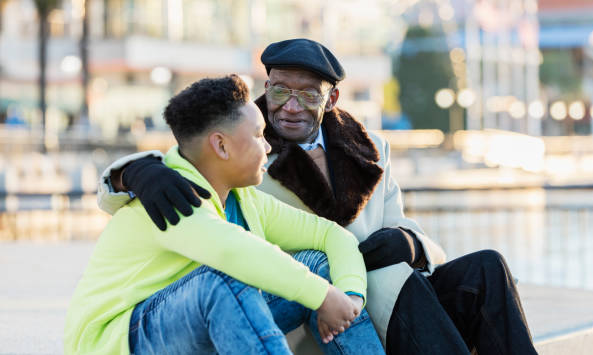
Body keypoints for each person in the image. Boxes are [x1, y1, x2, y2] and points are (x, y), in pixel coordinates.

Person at [97, 39, 537, 354]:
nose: (290, 106)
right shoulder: (244, 150)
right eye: (281, 90)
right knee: (387, 281)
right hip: (326, 310)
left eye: (307, 94)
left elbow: (421, 240)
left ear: (332, 98)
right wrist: (135, 170)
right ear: (266, 88)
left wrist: (410, 242)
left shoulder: (372, 149)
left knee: (487, 267)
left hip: (391, 292)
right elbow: (188, 151)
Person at [65, 75, 386, 355]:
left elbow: (331, 235)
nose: (269, 147)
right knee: (224, 279)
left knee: (317, 265)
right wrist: (323, 295)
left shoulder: (244, 198)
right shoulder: (170, 197)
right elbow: (234, 252)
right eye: (258, 135)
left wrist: (349, 297)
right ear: (221, 146)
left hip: (200, 322)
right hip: (123, 340)